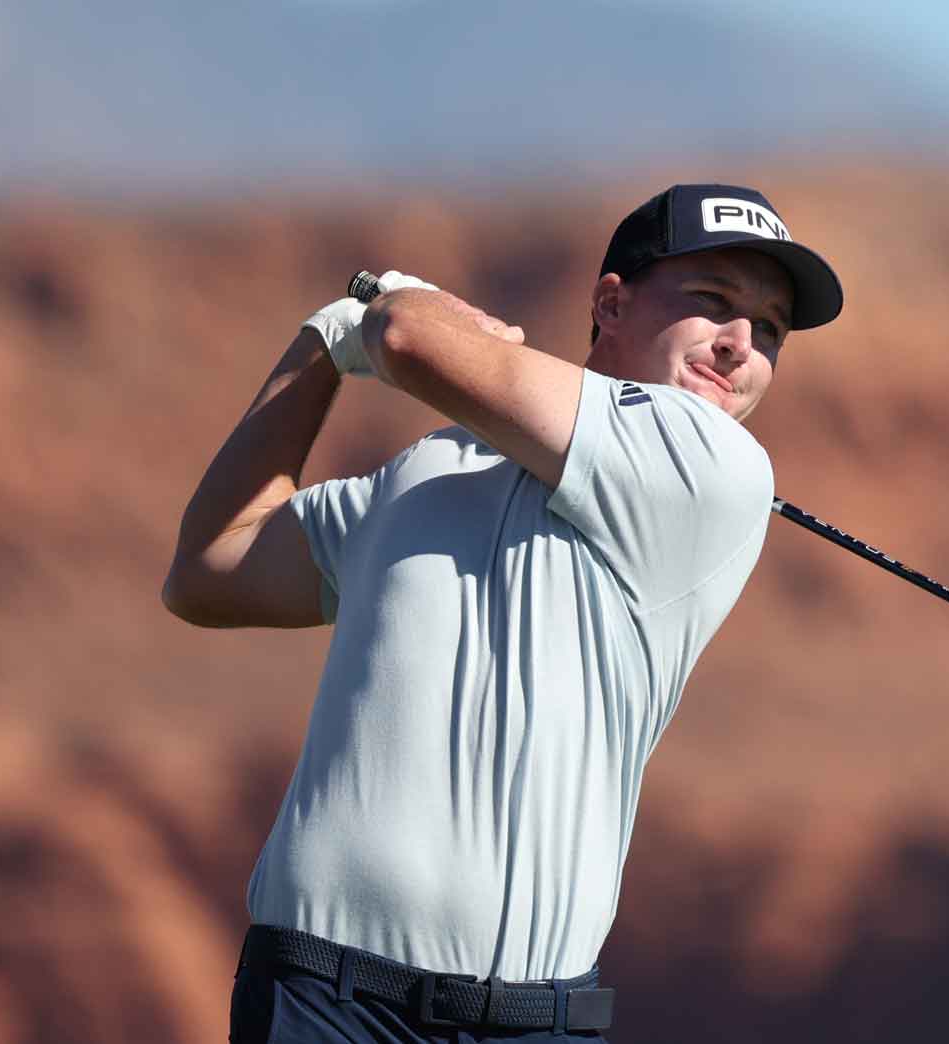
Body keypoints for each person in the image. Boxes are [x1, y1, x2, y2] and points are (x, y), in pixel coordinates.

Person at [162, 185, 843, 1043]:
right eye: (713, 302)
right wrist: (324, 345)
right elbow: (210, 567)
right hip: (321, 1001)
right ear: (610, 303)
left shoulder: (715, 466)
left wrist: (387, 309)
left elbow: (406, 337)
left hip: (530, 1022)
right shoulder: (429, 471)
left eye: (770, 329)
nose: (741, 343)